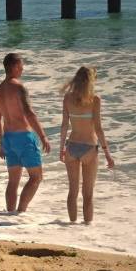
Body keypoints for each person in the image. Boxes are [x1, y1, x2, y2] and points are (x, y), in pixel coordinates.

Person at [0, 52, 50, 213]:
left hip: (8, 139)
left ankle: (10, 213)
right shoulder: (19, 87)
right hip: (24, 137)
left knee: (13, 181)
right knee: (36, 177)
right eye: (21, 65)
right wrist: (43, 136)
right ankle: (20, 212)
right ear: (14, 66)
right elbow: (29, 113)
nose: (23, 68)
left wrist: (1, 142)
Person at [57, 65, 114, 224]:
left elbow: (64, 126)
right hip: (89, 148)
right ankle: (87, 228)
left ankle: (71, 227)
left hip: (72, 147)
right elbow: (98, 129)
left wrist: (61, 149)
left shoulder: (67, 98)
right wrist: (107, 154)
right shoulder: (95, 100)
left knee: (72, 192)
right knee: (88, 194)